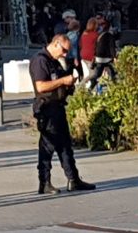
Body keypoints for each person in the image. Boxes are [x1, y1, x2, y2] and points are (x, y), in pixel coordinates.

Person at [29, 34, 96, 194]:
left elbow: (58, 80)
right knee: (47, 147)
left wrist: (69, 84)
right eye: (64, 50)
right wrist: (62, 82)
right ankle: (44, 182)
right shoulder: (41, 60)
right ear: (56, 44)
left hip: (57, 107)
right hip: (47, 109)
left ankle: (73, 179)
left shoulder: (54, 61)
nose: (65, 54)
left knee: (65, 145)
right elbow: (41, 86)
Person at [88, 20, 116, 90]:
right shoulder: (110, 36)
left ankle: (92, 85)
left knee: (98, 73)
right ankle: (114, 83)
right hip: (106, 58)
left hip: (98, 57)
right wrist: (114, 57)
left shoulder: (100, 35)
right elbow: (111, 47)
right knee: (113, 71)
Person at [79, 18, 99, 85]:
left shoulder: (84, 34)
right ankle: (80, 85)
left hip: (83, 55)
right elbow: (98, 46)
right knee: (93, 74)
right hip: (91, 56)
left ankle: (91, 88)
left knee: (90, 73)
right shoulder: (96, 35)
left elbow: (81, 44)